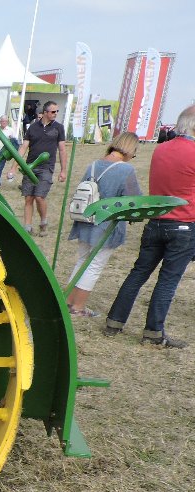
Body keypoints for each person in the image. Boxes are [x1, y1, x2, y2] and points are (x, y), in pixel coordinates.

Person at [104, 105, 195, 348]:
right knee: (168, 280)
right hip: (183, 225)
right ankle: (153, 332)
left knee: (138, 273)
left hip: (156, 222)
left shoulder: (161, 149)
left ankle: (114, 321)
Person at [64, 132, 141, 317]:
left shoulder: (93, 165)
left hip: (85, 221)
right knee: (94, 266)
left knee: (82, 261)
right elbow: (135, 200)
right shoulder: (126, 170)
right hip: (105, 226)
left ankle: (68, 302)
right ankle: (78, 307)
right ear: (130, 149)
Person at [8, 101, 67, 236]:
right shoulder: (33, 128)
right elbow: (23, 148)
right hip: (30, 167)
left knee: (39, 197)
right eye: (53, 111)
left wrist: (63, 171)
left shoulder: (58, 128)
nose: (55, 114)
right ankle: (27, 227)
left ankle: (43, 222)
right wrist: (14, 168)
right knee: (28, 198)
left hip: (46, 168)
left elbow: (62, 150)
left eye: (57, 111)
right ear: (45, 112)